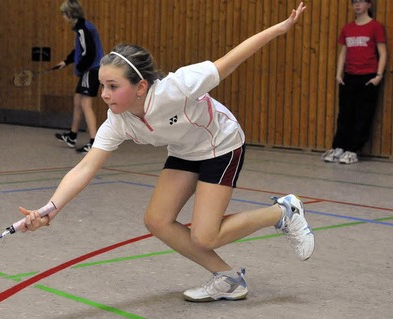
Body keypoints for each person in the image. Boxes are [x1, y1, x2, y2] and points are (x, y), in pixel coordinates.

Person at [20, 3, 313, 302]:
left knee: (205, 235)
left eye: (112, 85)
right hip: (186, 149)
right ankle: (228, 279)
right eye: (102, 85)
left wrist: (280, 28)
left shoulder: (177, 87)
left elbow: (232, 58)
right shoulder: (118, 121)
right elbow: (85, 167)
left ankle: (285, 211)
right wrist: (50, 208)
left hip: (221, 143)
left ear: (140, 86)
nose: (104, 94)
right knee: (157, 220)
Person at [323, 0, 387, 164]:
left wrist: (378, 76)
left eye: (361, 2)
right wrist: (339, 75)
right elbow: (343, 53)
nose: (357, 5)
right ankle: (339, 147)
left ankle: (353, 149)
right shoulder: (348, 28)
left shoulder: (375, 27)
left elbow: (382, 52)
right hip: (349, 76)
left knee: (362, 114)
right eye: (354, 2)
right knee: (344, 114)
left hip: (368, 77)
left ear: (369, 5)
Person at [53, 0, 104, 153]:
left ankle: (94, 142)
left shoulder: (84, 29)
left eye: (63, 13)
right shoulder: (81, 28)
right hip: (88, 70)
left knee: (85, 105)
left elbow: (90, 53)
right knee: (77, 101)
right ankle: (72, 136)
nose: (62, 16)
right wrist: (66, 61)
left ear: (70, 14)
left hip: (92, 69)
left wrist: (80, 68)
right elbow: (79, 49)